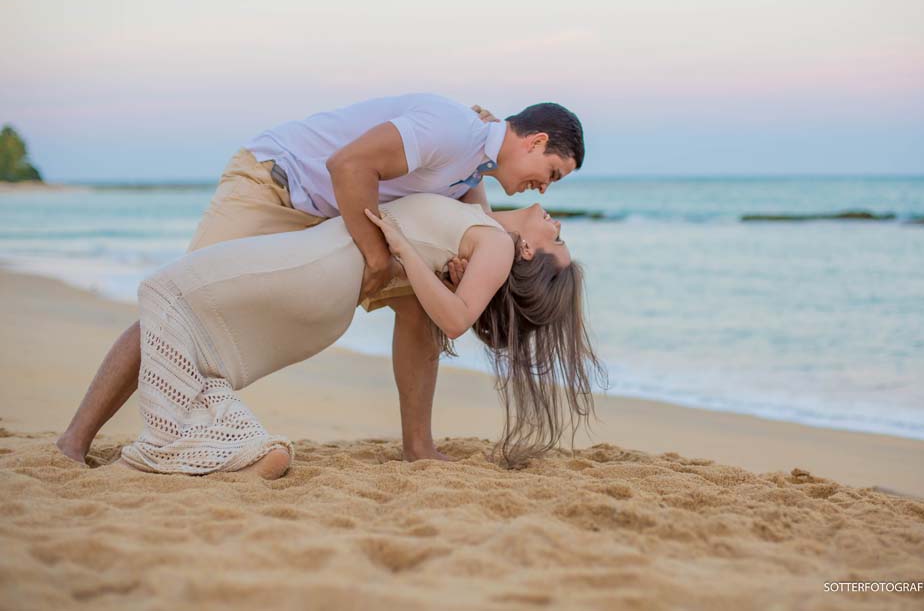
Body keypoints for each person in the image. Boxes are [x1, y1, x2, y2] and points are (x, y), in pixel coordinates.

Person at [57, 93, 586, 465]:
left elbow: (483, 233)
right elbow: (348, 164)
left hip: (336, 221)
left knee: (418, 308)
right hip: (278, 186)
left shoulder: (473, 172)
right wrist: (380, 260)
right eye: (553, 172)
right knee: (180, 310)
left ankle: (418, 446)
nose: (545, 188)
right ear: (536, 140)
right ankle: (75, 442)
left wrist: (458, 270)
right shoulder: (452, 128)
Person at [119, 193, 604, 478]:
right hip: (325, 275)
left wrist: (404, 250)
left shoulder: (496, 244)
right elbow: (477, 174)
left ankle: (182, 449)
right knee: (186, 323)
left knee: (163, 290)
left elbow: (456, 319)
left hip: (323, 270)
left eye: (556, 240)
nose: (558, 224)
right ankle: (225, 452)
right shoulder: (485, 226)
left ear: (525, 254)